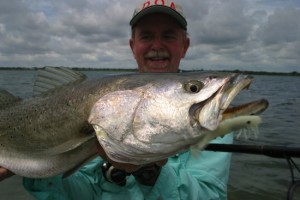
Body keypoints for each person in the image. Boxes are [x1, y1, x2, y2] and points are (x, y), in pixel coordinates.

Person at [0, 1, 233, 199]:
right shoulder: (111, 106)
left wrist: (148, 172)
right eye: (146, 36)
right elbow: (75, 193)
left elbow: (209, 194)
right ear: (133, 46)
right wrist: (29, 168)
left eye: (169, 36)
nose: (157, 46)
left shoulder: (209, 118)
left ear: (185, 46)